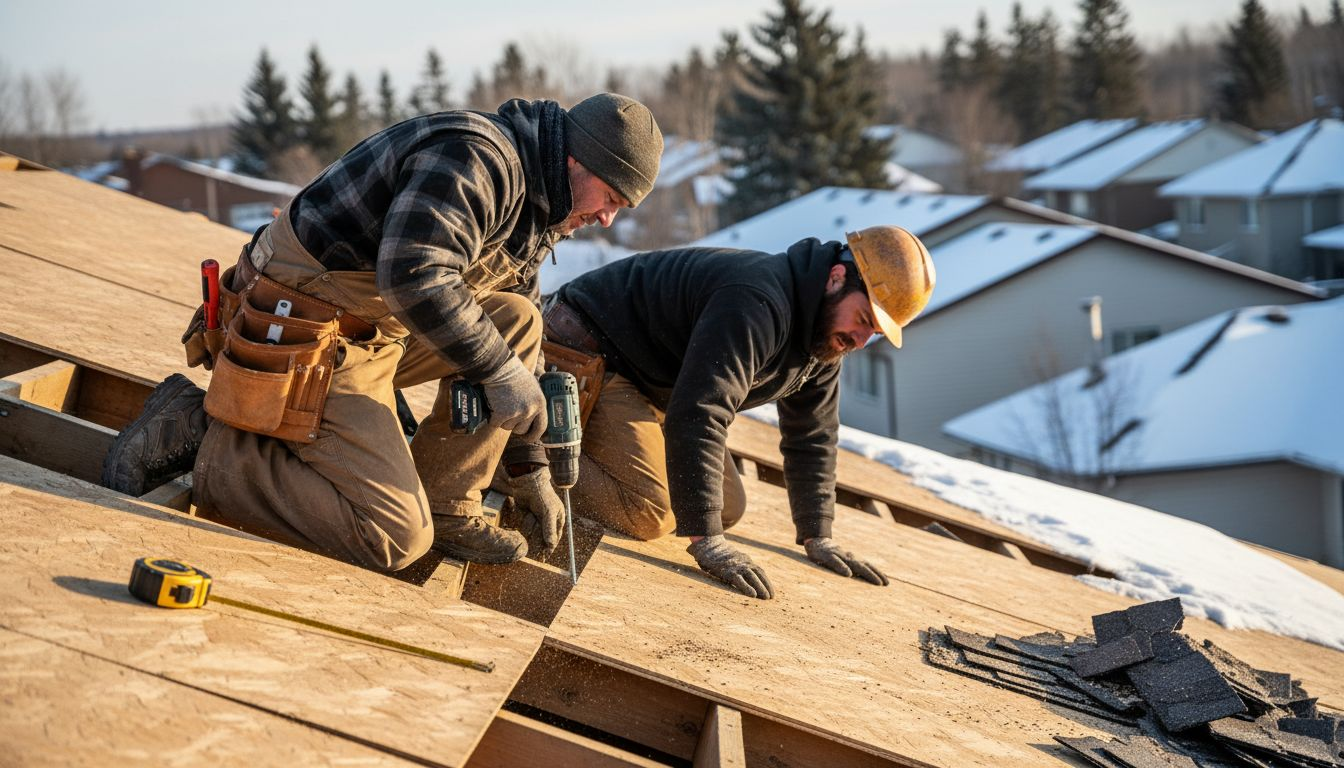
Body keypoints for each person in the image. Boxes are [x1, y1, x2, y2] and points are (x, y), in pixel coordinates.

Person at [102, 93, 663, 572]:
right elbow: (414, 272)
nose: (608, 218)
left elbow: (516, 329)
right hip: (308, 324)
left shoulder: (544, 206)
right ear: (576, 160)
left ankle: (448, 505)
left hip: (377, 330)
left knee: (518, 322)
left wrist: (528, 466)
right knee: (392, 536)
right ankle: (206, 438)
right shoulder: (476, 157)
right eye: (611, 198)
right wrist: (497, 371)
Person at [544, 226, 935, 598]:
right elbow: (701, 412)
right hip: (587, 351)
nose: (861, 341)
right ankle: (523, 462)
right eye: (864, 320)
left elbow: (812, 433)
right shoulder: (757, 300)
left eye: (875, 334)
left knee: (726, 507)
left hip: (649, 381)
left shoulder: (824, 337)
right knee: (650, 511)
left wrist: (818, 533)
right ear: (835, 278)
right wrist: (707, 543)